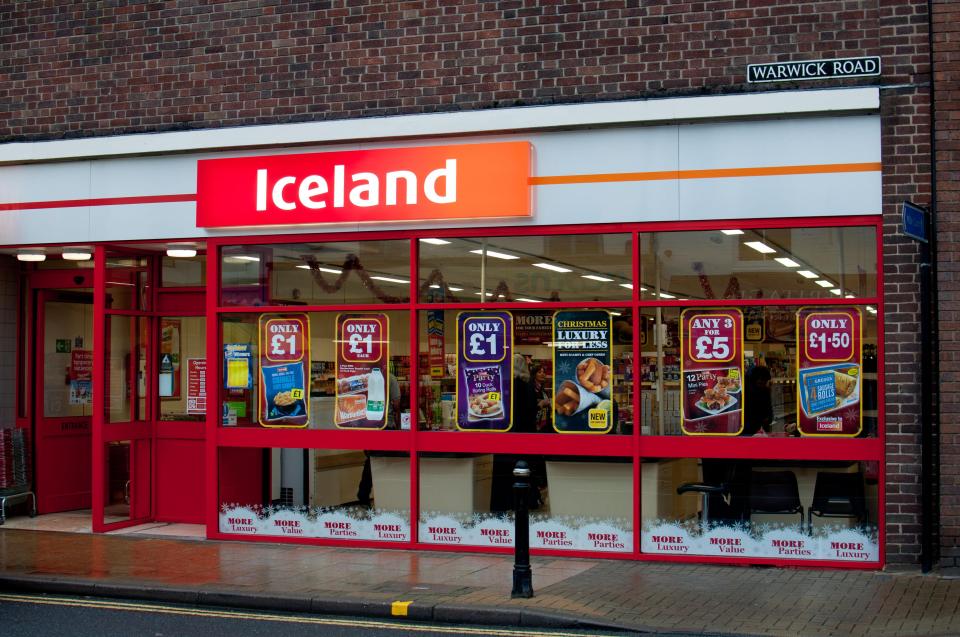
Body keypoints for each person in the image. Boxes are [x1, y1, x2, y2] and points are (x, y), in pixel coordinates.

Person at [742, 365, 773, 436]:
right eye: (761, 382)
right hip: (750, 428)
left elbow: (768, 408)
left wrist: (768, 418)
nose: (763, 384)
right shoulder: (749, 391)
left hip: (754, 427)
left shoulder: (764, 390)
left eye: (765, 382)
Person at [530, 362, 551, 433]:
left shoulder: (543, 390)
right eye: (539, 372)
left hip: (543, 425)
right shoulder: (530, 388)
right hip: (533, 425)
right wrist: (541, 403)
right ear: (534, 375)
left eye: (543, 372)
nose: (542, 374)